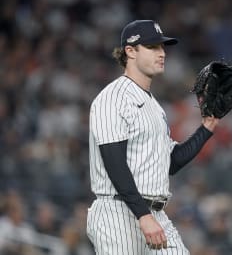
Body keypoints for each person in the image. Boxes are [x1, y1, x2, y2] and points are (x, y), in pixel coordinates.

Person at [86, 20, 219, 254]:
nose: (162, 53)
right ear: (130, 51)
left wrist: (206, 128)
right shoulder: (113, 98)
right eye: (153, 47)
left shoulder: (154, 106)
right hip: (118, 213)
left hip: (154, 213)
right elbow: (114, 164)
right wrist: (143, 216)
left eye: (162, 47)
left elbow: (172, 162)